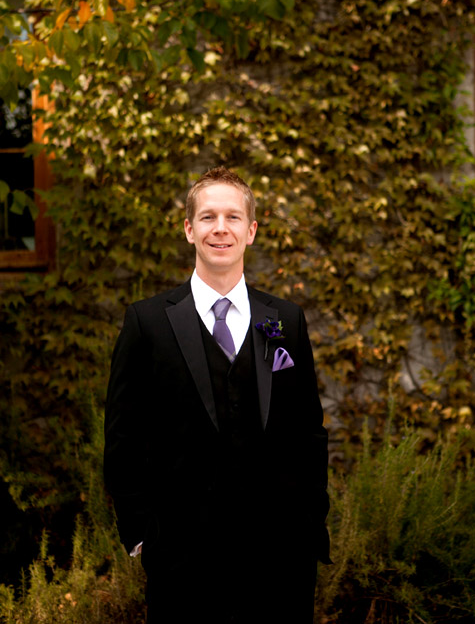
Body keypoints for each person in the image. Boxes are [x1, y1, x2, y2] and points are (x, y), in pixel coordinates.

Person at [104, 166, 330, 624]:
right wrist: (142, 534)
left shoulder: (285, 320)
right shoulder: (148, 322)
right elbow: (123, 437)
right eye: (208, 217)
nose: (220, 228)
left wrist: (310, 527)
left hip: (281, 559)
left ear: (251, 230)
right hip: (182, 562)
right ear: (189, 229)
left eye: (232, 217)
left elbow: (309, 432)